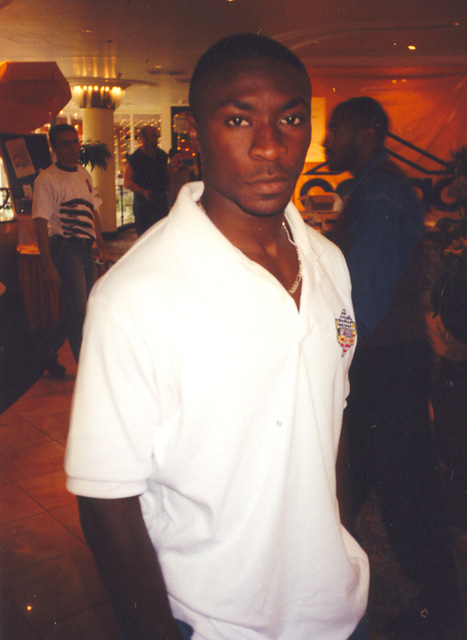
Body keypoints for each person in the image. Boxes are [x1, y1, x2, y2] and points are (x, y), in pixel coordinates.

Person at [65, 34, 370, 640]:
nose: (269, 146)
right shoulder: (134, 296)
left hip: (336, 610)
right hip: (212, 622)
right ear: (196, 132)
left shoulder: (329, 263)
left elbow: (322, 429)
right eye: (238, 119)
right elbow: (106, 500)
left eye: (290, 119)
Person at [324, 97, 463, 638]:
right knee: (360, 482)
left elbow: (362, 300)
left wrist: (330, 353)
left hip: (383, 363)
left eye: (336, 129)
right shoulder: (373, 189)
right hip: (386, 360)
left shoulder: (380, 193)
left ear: (367, 133)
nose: (326, 140)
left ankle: (441, 608)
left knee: (404, 489)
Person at [32, 123, 111, 373]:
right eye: (65, 144)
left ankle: (46, 351)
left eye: (75, 141)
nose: (73, 148)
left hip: (85, 249)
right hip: (64, 249)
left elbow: (92, 212)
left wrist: (102, 246)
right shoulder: (47, 179)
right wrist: (47, 264)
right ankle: (85, 369)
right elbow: (40, 223)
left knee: (81, 310)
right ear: (54, 148)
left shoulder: (84, 174)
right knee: (78, 311)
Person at [124, 125, 169, 235]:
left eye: (156, 136)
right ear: (143, 138)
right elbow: (127, 181)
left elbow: (167, 175)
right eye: (152, 136)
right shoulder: (135, 158)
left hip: (160, 202)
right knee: (145, 235)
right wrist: (142, 192)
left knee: (161, 234)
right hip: (143, 204)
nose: (155, 139)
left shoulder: (162, 155)